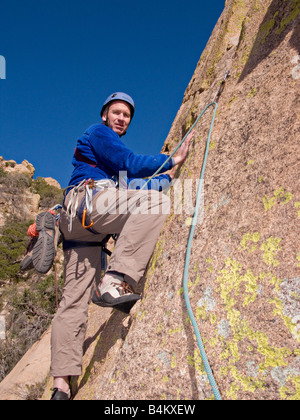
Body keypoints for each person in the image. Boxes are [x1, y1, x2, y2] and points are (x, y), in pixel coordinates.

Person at [49, 92, 194, 400]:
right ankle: (114, 281)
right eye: (116, 112)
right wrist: (173, 158)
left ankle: (60, 385)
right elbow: (128, 162)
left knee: (72, 302)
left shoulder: (114, 174)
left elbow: (136, 186)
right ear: (105, 115)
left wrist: (167, 175)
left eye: (126, 115)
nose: (120, 118)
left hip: (81, 225)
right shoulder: (97, 133)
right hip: (89, 204)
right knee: (155, 204)